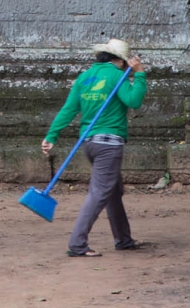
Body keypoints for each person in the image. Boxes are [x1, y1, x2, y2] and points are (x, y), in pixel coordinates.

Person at [42, 38, 148, 256]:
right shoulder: (117, 76)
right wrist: (139, 74)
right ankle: (77, 244)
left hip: (90, 143)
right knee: (100, 192)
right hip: (109, 144)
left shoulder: (84, 77)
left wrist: (52, 135)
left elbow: (68, 110)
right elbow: (134, 100)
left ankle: (124, 239)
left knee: (112, 192)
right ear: (120, 60)